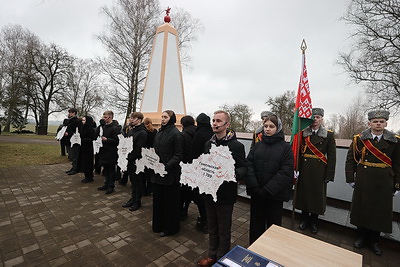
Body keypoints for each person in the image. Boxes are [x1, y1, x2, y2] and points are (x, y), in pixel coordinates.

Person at [346, 110, 400, 256]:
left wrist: (397, 184)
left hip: (384, 182)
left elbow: (398, 164)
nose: (378, 124)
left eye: (381, 121)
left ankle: (375, 241)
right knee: (363, 208)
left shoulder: (395, 140)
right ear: (369, 123)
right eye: (375, 121)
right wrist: (350, 178)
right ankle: (361, 237)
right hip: (364, 179)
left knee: (379, 212)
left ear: (386, 123)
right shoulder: (359, 139)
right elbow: (351, 159)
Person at [197, 110, 247, 267]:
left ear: (227, 124)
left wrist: (229, 174)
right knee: (212, 227)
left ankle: (222, 259)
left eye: (218, 120)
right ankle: (211, 256)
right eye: (213, 120)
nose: (215, 123)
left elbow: (243, 168)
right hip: (209, 193)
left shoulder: (236, 145)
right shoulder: (208, 143)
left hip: (225, 194)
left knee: (224, 230)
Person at [246, 112, 294, 245]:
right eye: (265, 126)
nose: (267, 129)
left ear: (277, 128)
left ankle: (270, 252)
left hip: (274, 195)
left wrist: (267, 190)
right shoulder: (258, 145)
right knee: (256, 226)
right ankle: (254, 248)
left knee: (273, 228)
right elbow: (249, 164)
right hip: (257, 194)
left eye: (271, 126)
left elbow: (286, 172)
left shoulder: (285, 148)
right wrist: (255, 186)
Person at [295, 108, 336, 234]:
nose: (315, 119)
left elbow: (332, 156)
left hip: (320, 171)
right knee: (304, 194)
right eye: (313, 117)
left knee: (316, 197)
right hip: (305, 169)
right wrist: (296, 169)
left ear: (322, 119)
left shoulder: (328, 135)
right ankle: (304, 219)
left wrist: (329, 174)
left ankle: (314, 221)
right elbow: (298, 153)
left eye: (318, 117)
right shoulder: (303, 133)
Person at [151, 110, 183, 237]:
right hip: (157, 172)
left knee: (169, 203)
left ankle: (170, 228)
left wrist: (167, 166)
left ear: (171, 118)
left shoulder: (176, 134)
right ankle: (158, 225)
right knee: (158, 201)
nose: (162, 119)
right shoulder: (159, 132)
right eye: (162, 117)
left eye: (165, 117)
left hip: (170, 174)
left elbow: (178, 154)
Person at [191, 113, 214, 233]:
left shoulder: (199, 133)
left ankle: (205, 220)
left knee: (200, 197)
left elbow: (194, 153)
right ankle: (210, 220)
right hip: (211, 170)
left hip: (200, 170)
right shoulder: (212, 133)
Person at [121, 112, 147, 211]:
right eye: (131, 117)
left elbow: (138, 149)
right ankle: (132, 198)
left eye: (133, 118)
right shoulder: (132, 131)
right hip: (130, 160)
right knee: (132, 181)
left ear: (139, 120)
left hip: (137, 161)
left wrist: (129, 157)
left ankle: (137, 201)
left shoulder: (142, 132)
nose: (131, 119)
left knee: (137, 182)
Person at [96, 111, 121, 194]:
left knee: (111, 170)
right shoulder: (103, 127)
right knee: (106, 169)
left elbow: (117, 140)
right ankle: (106, 184)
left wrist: (107, 140)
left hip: (111, 152)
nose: (104, 119)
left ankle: (111, 186)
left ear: (110, 117)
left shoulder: (116, 128)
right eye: (103, 117)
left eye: (105, 117)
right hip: (104, 151)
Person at [179, 115, 196, 221]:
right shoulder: (198, 133)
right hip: (195, 166)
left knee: (182, 190)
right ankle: (186, 208)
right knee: (190, 190)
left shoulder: (183, 135)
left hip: (184, 166)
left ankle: (181, 211)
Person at [78, 116, 96, 183]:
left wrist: (84, 140)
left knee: (88, 162)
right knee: (84, 162)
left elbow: (92, 138)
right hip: (83, 147)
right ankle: (86, 176)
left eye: (84, 120)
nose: (83, 122)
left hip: (88, 148)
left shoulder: (90, 129)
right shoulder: (83, 127)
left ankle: (89, 177)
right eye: (82, 120)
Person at [64, 108, 82, 175]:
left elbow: (77, 131)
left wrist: (69, 133)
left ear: (74, 113)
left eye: (70, 112)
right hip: (70, 140)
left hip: (75, 140)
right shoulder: (70, 120)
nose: (69, 114)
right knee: (72, 155)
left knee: (75, 155)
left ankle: (75, 168)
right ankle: (73, 167)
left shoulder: (76, 121)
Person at [142, 117, 157, 195]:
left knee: (144, 173)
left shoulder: (144, 131)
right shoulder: (155, 131)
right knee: (150, 172)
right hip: (152, 153)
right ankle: (149, 189)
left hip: (145, 153)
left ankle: (144, 190)